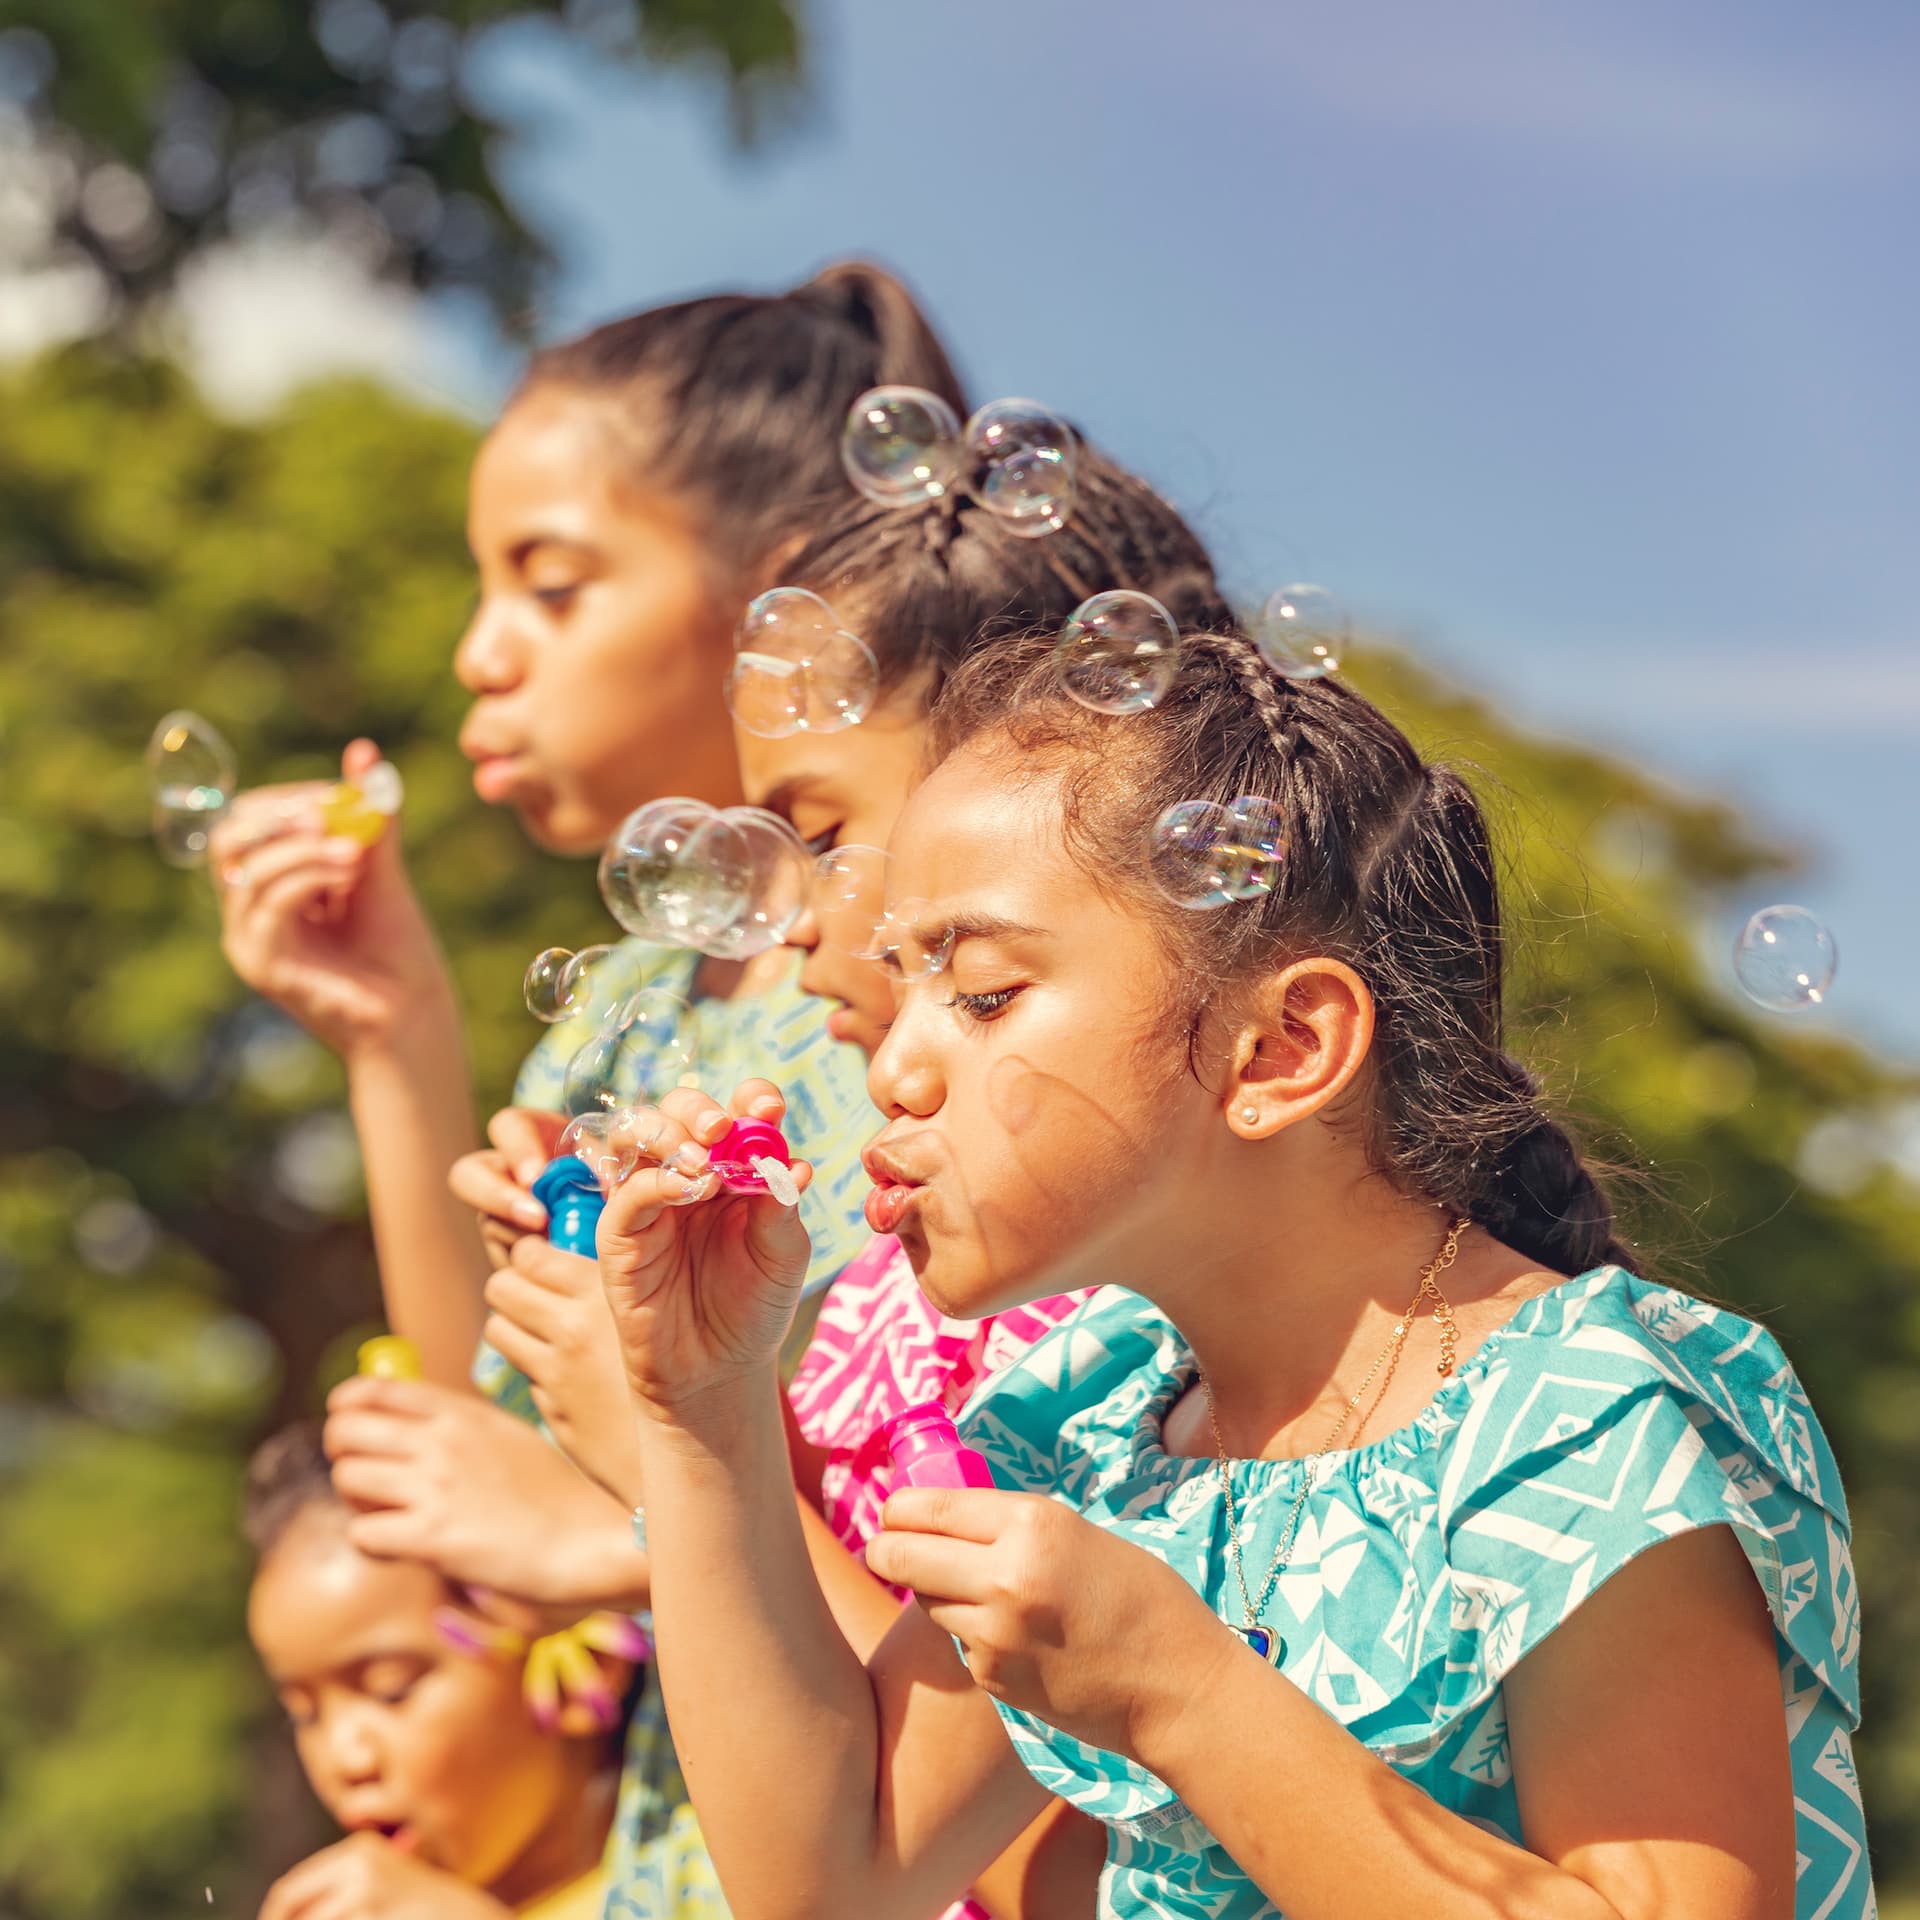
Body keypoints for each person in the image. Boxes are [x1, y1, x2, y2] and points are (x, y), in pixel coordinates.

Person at [589, 626, 1869, 1918]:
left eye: (979, 993)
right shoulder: (1095, 1423)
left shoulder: (1589, 1416)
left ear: (1280, 1049)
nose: (892, 1068)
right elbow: (824, 1883)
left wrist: (1184, 1695)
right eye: (902, 982)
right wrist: (703, 1414)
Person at [437, 442, 1229, 1917]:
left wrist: (663, 1459)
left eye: (816, 837)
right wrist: (684, 1394)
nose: (789, 929)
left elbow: (1031, 1846)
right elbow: (841, 1835)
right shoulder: (923, 1295)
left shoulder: (1150, 1332)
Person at [210, 260, 963, 1392]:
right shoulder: (625, 1006)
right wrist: (393, 1026)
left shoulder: (924, 983)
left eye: (551, 587)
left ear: (782, 608)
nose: (479, 655)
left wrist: (597, 1526)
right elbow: (486, 1416)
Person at [246, 1424, 643, 1920]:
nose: (345, 1759)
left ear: (590, 1666)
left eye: (391, 1692)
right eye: (304, 1716)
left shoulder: (715, 1876)